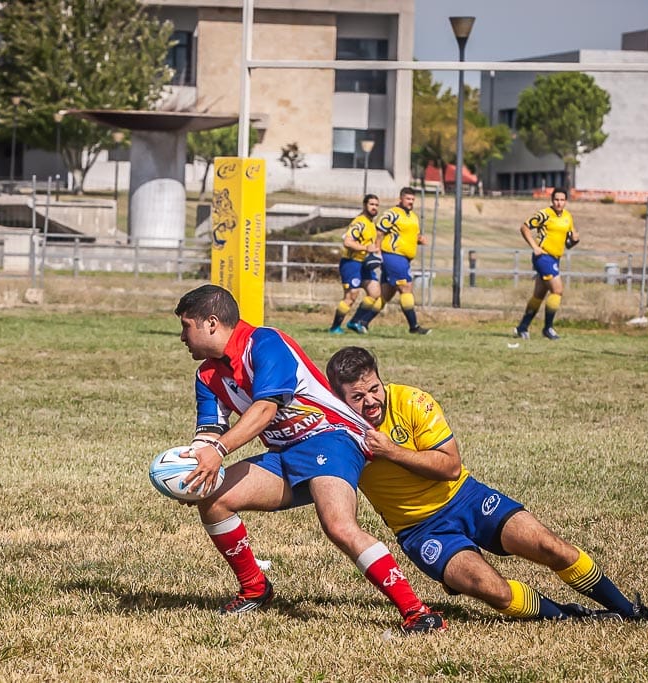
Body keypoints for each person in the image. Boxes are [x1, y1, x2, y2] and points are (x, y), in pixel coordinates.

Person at [325, 345, 648, 627]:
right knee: (494, 591)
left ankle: (629, 612)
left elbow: (449, 466)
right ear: (341, 400)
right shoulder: (337, 436)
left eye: (374, 388)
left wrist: (391, 451)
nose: (371, 401)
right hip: (420, 531)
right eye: (357, 397)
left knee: (551, 547)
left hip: (466, 497)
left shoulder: (413, 402)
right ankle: (570, 617)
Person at [173, 284, 446, 634]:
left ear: (211, 323)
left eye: (186, 325)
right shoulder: (206, 376)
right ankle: (255, 588)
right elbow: (209, 431)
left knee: (338, 525)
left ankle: (418, 613)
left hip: (332, 439)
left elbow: (265, 408)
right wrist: (193, 471)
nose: (183, 336)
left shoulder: (265, 343)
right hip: (286, 454)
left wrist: (219, 452)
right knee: (214, 498)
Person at [350, 187, 430, 335]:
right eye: (408, 199)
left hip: (404, 258)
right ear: (401, 199)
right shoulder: (392, 213)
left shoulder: (413, 216)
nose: (411, 202)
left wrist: (419, 239)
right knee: (406, 287)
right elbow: (380, 231)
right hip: (393, 255)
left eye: (413, 200)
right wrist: (378, 251)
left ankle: (362, 322)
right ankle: (414, 326)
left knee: (386, 293)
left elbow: (410, 235)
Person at [514, 187, 579, 340]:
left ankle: (522, 327)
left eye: (562, 200)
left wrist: (574, 241)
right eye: (556, 199)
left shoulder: (568, 217)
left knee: (539, 295)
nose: (559, 203)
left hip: (555, 258)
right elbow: (524, 228)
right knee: (557, 290)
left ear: (566, 201)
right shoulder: (544, 214)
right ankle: (548, 328)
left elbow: (568, 244)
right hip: (543, 257)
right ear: (552, 200)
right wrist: (535, 247)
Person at [329, 194, 383, 335]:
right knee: (351, 296)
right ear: (365, 205)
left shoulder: (371, 224)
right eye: (371, 204)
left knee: (375, 292)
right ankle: (335, 327)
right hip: (351, 263)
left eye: (376, 205)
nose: (374, 207)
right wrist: (366, 248)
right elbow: (348, 242)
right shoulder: (359, 222)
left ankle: (355, 321)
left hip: (364, 264)